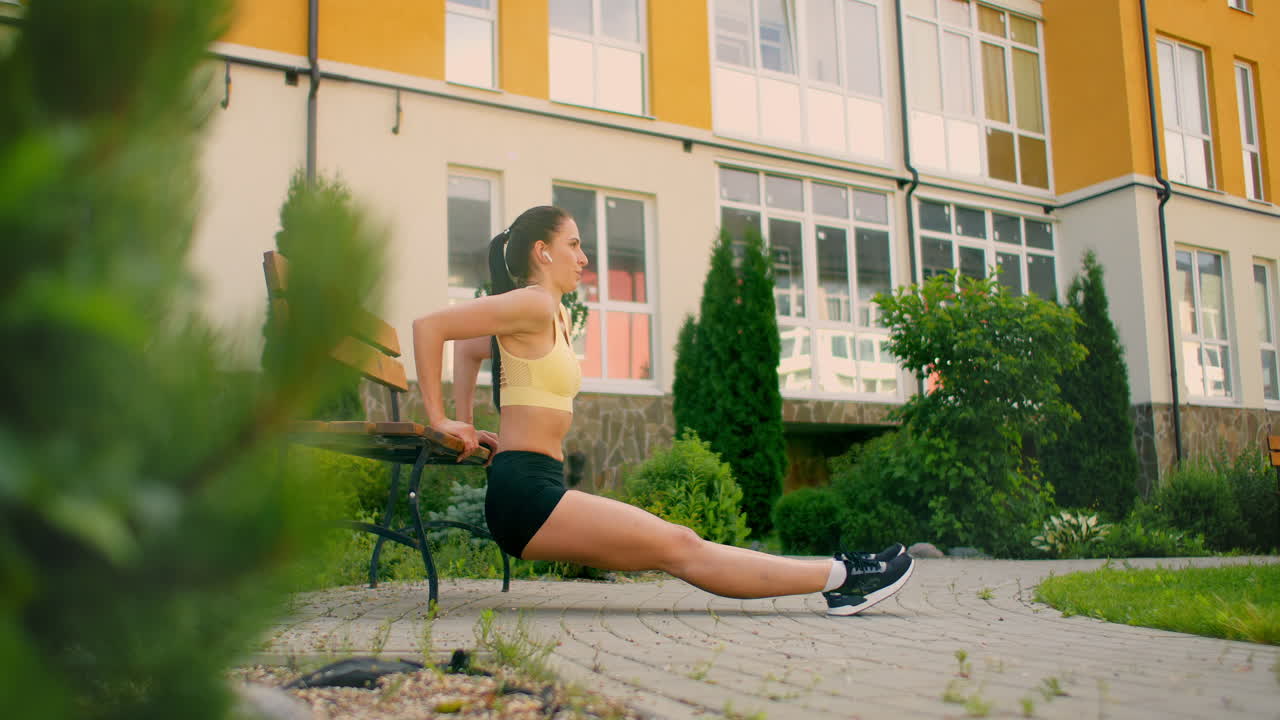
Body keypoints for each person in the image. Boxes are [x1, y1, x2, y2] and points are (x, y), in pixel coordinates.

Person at [412, 205, 914, 616]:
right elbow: (430, 327)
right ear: (542, 252)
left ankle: (842, 574)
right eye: (574, 245)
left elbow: (470, 349)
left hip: (535, 484)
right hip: (524, 494)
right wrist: (443, 420)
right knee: (682, 546)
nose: (584, 257)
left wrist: (472, 423)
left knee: (679, 548)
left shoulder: (551, 313)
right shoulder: (534, 303)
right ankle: (845, 576)